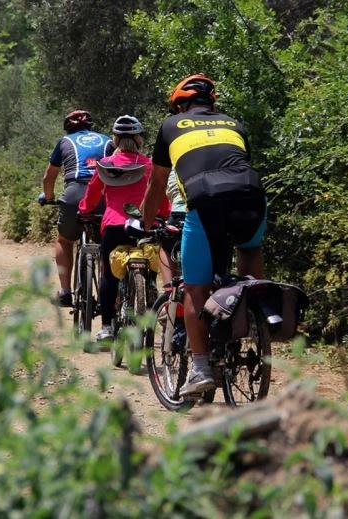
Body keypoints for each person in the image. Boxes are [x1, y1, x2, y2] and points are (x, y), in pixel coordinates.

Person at [140, 73, 267, 395]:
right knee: (249, 252)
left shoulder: (171, 126)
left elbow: (157, 184)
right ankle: (251, 319)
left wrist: (145, 220)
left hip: (206, 201)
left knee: (196, 290)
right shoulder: (233, 124)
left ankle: (199, 368)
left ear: (180, 104)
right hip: (253, 196)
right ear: (211, 102)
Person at [78, 115, 170, 340]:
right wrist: (164, 215)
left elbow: (91, 195)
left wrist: (85, 210)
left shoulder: (106, 165)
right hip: (143, 226)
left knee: (109, 274)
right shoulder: (149, 165)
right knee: (150, 267)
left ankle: (107, 326)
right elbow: (161, 199)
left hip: (113, 226)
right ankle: (148, 302)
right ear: (139, 139)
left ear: (116, 139)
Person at [39, 109, 115, 307]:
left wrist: (48, 197)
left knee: (64, 240)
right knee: (108, 242)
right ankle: (114, 293)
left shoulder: (65, 142)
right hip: (104, 195)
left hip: (75, 193)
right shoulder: (107, 140)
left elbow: (49, 176)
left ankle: (65, 292)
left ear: (68, 128)